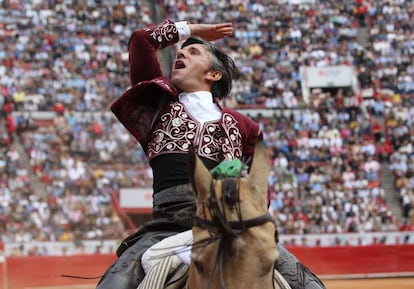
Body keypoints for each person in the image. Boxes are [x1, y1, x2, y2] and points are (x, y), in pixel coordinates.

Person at [96, 19, 326, 289]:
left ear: (213, 75)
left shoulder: (245, 127)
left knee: (309, 285)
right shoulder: (159, 103)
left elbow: (258, 188)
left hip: (232, 222)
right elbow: (140, 39)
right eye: (181, 52)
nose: (181, 53)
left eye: (194, 52)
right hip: (168, 224)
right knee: (113, 285)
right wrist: (191, 31)